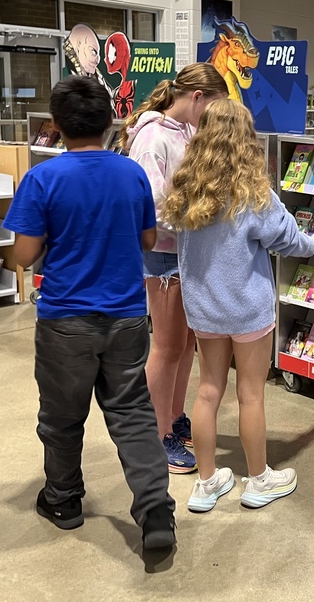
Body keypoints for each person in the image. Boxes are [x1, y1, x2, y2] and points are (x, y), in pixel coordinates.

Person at [3, 76, 177, 550]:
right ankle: (156, 509)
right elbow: (146, 240)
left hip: (65, 320)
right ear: (109, 123)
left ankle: (63, 499)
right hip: (126, 316)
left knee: (61, 416)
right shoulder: (130, 174)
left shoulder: (43, 178)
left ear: (55, 126)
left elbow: (23, 255)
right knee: (133, 411)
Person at [161, 100, 314, 513]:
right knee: (251, 394)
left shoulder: (184, 190)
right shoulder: (254, 194)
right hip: (248, 310)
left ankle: (205, 483)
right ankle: (258, 480)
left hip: (204, 310)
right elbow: (288, 240)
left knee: (206, 392)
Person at [121, 62, 227, 474]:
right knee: (166, 348)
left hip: (185, 251)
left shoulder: (185, 132)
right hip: (165, 253)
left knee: (184, 346)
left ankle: (174, 417)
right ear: (197, 97)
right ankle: (157, 434)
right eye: (213, 106)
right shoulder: (151, 138)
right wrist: (197, 221)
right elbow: (152, 207)